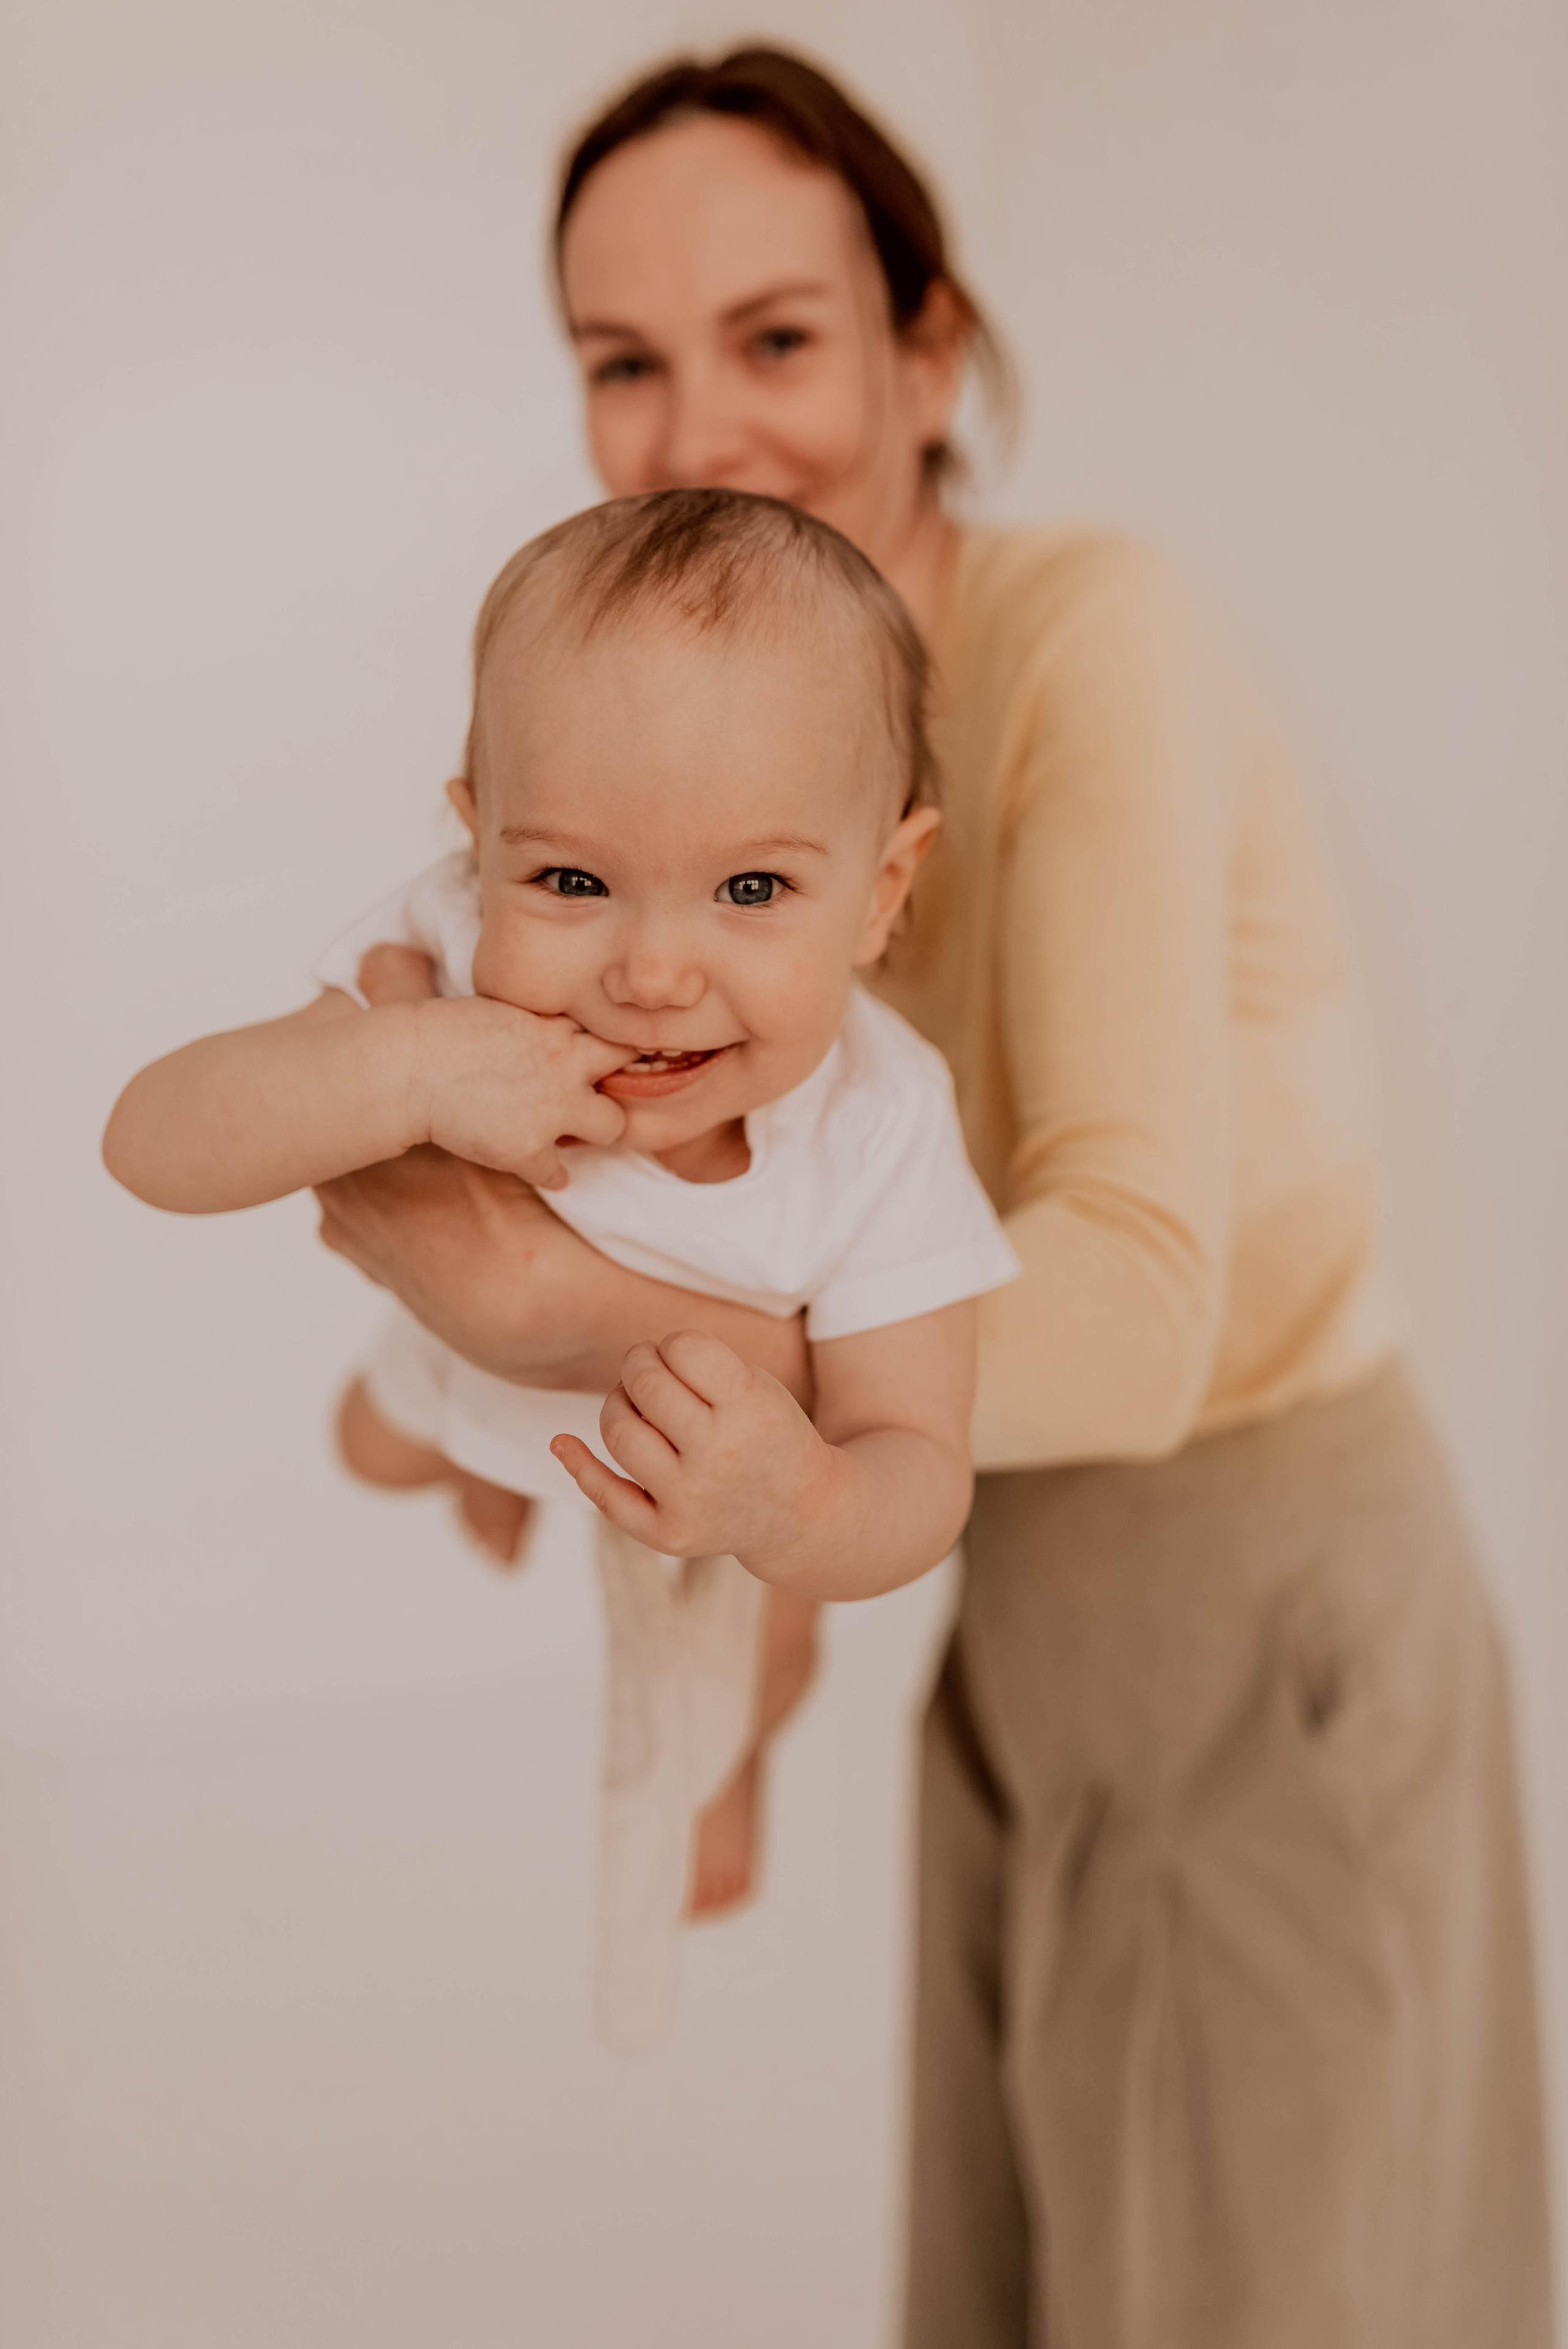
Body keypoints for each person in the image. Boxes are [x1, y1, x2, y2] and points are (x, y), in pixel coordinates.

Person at [308, 47, 1553, 2348]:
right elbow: (816, 1232)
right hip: (1019, 1594)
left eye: (777, 339)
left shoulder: (1091, 643)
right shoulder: (737, 760)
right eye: (624, 361)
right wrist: (735, 1689)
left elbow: (1136, 1292)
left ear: (930, 351)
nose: (702, 429)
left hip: (1249, 1609)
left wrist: (562, 1308)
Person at [101, 485, 1019, 2048]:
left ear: (879, 889)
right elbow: (149, 1141)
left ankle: (721, 1775)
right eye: (573, 884)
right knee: (377, 1442)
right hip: (450, 1335)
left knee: (758, 1646)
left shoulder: (878, 1132)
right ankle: (456, 1449)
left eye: (751, 890)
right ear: (475, 847)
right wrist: (397, 1070)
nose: (652, 974)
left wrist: (796, 1502)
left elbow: (919, 1462)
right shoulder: (446, 966)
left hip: (698, 1491)